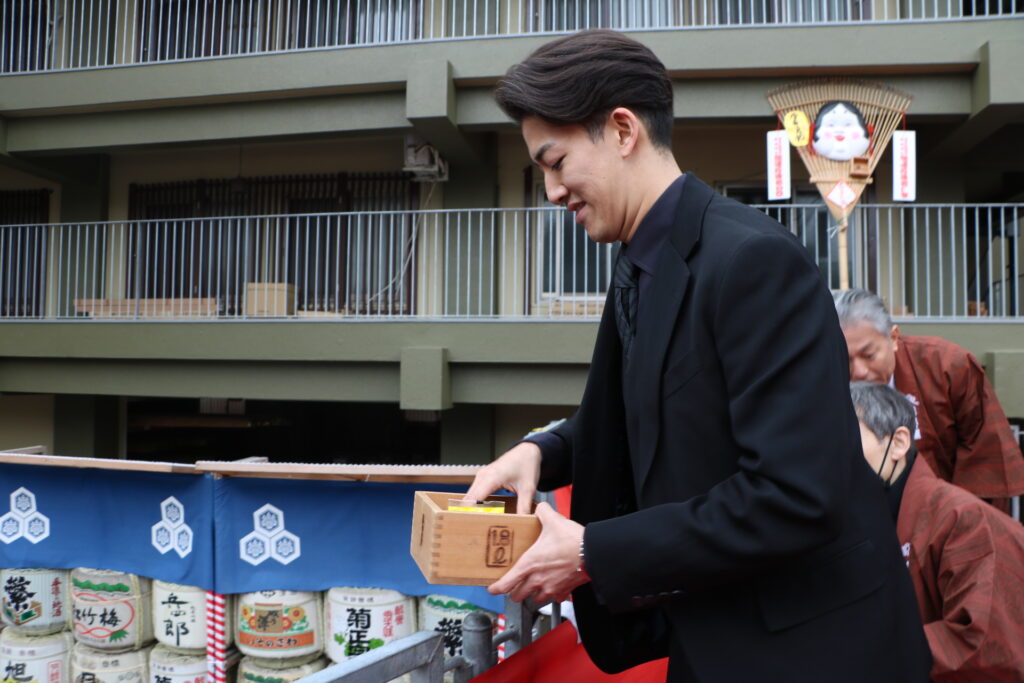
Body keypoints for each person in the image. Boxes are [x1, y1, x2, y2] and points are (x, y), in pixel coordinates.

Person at [464, 29, 931, 682]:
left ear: (622, 129)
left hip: (813, 650)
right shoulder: (640, 263)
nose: (549, 191)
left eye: (555, 161)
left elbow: (793, 494)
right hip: (719, 637)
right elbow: (639, 408)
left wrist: (592, 549)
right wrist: (542, 450)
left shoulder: (753, 262)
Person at [849, 381, 1024, 681]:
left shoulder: (967, 521)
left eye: (847, 438)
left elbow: (981, 644)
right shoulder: (857, 514)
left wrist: (856, 654)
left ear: (899, 443)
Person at [833, 288, 1024, 510]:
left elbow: (984, 457)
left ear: (893, 337)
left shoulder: (947, 366)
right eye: (844, 359)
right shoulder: (825, 378)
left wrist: (956, 520)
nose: (859, 372)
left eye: (869, 355)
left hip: (944, 512)